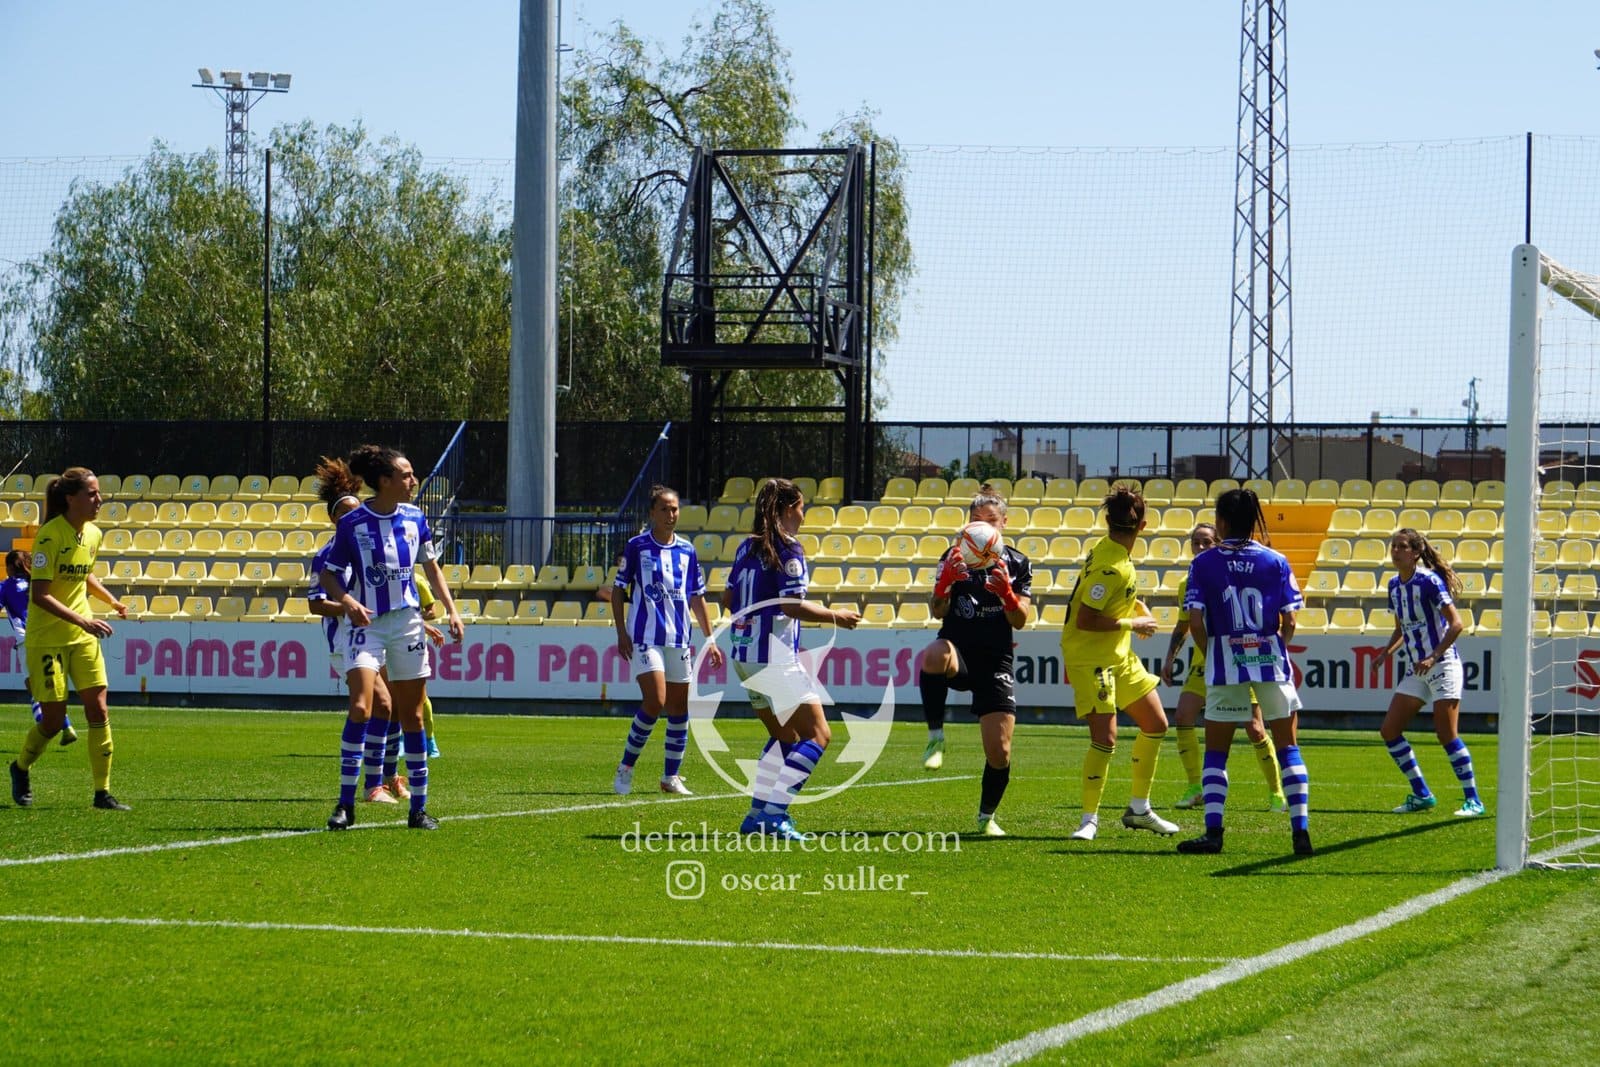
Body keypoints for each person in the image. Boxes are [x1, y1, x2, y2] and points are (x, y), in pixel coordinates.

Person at [320, 445, 464, 831]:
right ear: (385, 482)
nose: (413, 481)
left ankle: (418, 809)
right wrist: (348, 601)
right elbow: (329, 574)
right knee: (362, 708)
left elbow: (432, 570)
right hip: (366, 625)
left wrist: (451, 610)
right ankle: (345, 804)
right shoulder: (353, 524)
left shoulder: (417, 518)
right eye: (406, 475)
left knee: (413, 714)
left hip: (407, 624)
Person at [1176, 488, 1312, 856]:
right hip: (1270, 659)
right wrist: (1275, 646)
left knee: (1217, 751)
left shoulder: (1203, 564)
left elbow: (1196, 621)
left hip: (1224, 661)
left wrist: (1214, 653)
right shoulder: (1276, 560)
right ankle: (1300, 832)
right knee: (1287, 746)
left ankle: (1214, 833)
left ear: (1220, 522)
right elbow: (1291, 620)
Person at [723, 477, 859, 840]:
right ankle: (774, 814)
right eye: (800, 506)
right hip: (774, 659)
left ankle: (755, 814)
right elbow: (790, 605)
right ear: (786, 509)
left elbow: (727, 599)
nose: (804, 512)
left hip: (745, 656)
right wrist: (836, 616)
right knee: (818, 735)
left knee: (786, 735)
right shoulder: (788, 549)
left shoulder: (744, 548)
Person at [1058, 483, 1180, 841]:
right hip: (1091, 658)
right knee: (1106, 738)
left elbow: (1109, 600)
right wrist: (1134, 622)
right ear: (1143, 526)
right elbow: (1085, 619)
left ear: (1107, 520)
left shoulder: (1111, 552)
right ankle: (1088, 820)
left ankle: (1139, 810)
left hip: (1119, 655)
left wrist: (1134, 608)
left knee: (1156, 724)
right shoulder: (1112, 566)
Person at [8, 467, 130, 810]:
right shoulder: (49, 535)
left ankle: (102, 792)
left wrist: (110, 600)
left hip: (81, 636)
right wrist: (84, 620)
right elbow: (40, 595)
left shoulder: (92, 534)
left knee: (98, 707)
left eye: (98, 493)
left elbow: (84, 572)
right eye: (92, 494)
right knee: (51, 719)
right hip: (47, 638)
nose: (99, 500)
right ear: (70, 499)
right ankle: (19, 768)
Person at [916, 484, 1033, 835]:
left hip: (995, 662)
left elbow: (1021, 621)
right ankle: (936, 736)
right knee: (934, 653)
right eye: (975, 520)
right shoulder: (951, 557)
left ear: (1004, 524)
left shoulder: (1018, 562)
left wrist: (1008, 596)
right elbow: (937, 612)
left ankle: (986, 818)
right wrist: (944, 585)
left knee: (1000, 753)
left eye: (990, 520)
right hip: (958, 653)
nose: (982, 527)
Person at [1159, 523, 1286, 812]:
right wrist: (1170, 658)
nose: (1200, 547)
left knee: (1254, 728)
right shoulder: (1186, 584)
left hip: (1236, 661)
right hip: (1204, 664)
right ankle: (1195, 787)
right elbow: (1184, 625)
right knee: (1183, 716)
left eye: (1206, 542)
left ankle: (1276, 791)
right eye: (1196, 542)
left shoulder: (1229, 578)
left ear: (1218, 544)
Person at [611, 486, 722, 796]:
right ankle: (626, 768)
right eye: (664, 509)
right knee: (655, 701)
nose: (671, 515)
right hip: (645, 638)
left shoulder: (687, 550)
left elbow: (697, 597)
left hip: (678, 639)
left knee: (678, 709)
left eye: (674, 509)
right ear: (652, 513)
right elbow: (619, 590)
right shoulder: (636, 547)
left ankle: (670, 777)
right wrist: (621, 632)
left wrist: (709, 638)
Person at [1376, 528, 1483, 817]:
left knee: (1446, 734)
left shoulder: (1429, 581)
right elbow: (1401, 628)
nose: (1395, 551)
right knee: (1389, 730)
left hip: (1443, 664)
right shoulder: (1394, 585)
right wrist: (1386, 652)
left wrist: (1434, 655)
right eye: (1393, 546)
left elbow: (1457, 624)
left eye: (1401, 546)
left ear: (1415, 552)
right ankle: (1422, 793)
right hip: (1417, 669)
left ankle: (1473, 800)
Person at [1, 550, 76, 746]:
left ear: (9, 567)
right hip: (49, 637)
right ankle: (66, 726)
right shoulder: (39, 583)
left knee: (34, 687)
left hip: (26, 640)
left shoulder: (5, 586)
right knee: (50, 686)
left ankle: (46, 730)